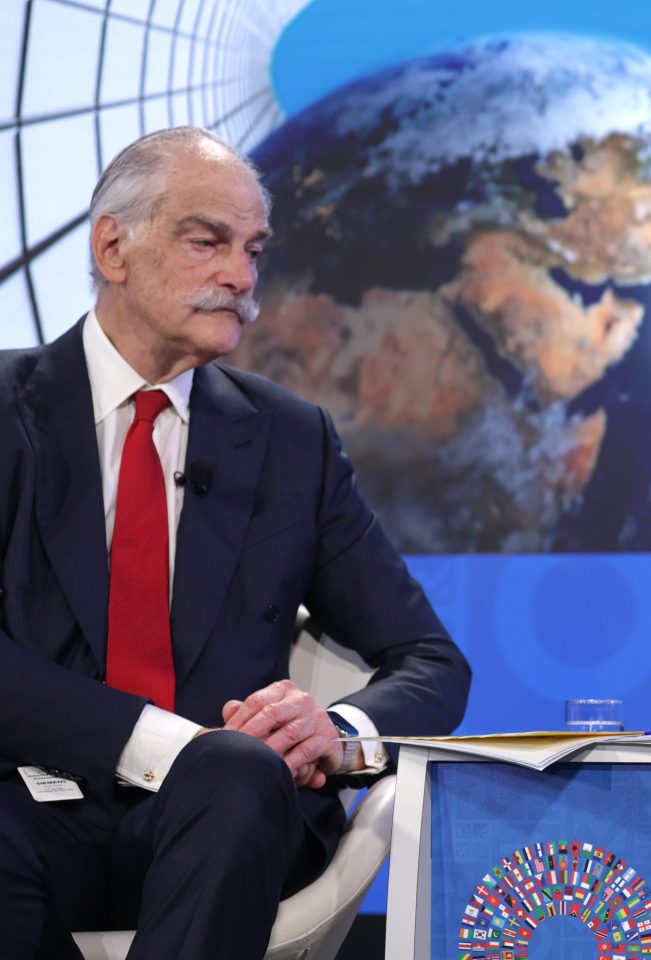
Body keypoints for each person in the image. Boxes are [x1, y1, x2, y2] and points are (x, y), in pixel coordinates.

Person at [0, 126, 472, 958]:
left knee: (238, 776)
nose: (242, 278)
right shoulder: (5, 412)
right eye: (207, 242)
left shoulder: (293, 440)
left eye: (253, 249)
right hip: (32, 806)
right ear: (113, 248)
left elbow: (431, 660)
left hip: (226, 820)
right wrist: (168, 745)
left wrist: (338, 731)